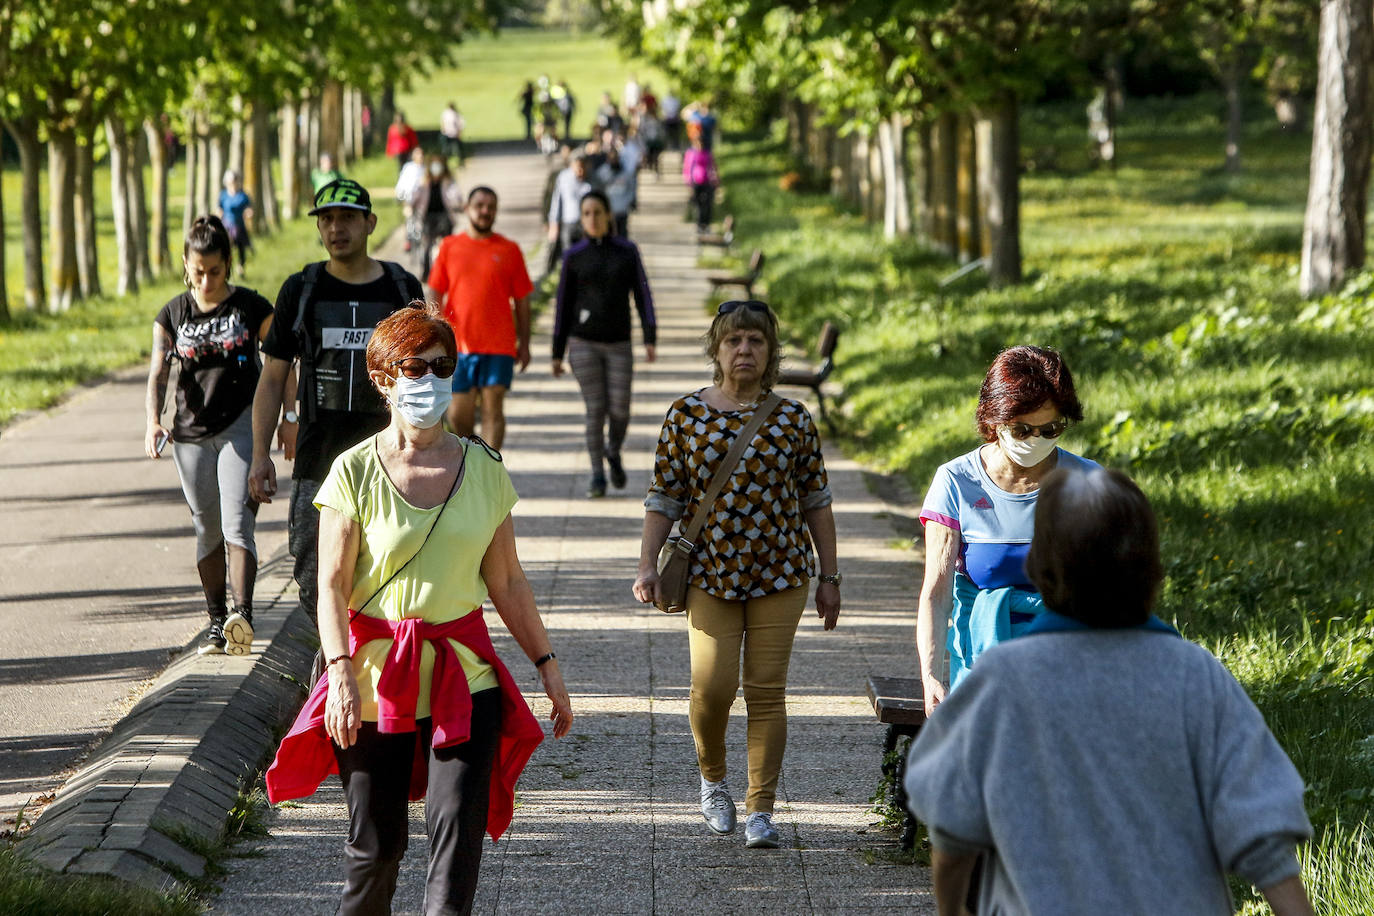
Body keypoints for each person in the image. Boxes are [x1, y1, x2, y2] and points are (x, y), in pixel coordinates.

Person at [265, 306, 573, 916]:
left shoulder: (484, 469)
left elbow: (507, 579)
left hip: (465, 680)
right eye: (415, 365)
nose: (430, 379)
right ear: (382, 377)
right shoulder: (351, 472)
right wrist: (341, 674)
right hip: (373, 682)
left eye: (442, 366)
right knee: (375, 849)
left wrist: (547, 663)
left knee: (456, 844)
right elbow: (330, 587)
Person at [904, 467, 1315, 916]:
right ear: (1152, 572)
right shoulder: (1195, 676)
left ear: (1042, 569)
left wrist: (952, 908)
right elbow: (1262, 832)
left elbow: (952, 817)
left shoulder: (1002, 679)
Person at [631, 299, 841, 850]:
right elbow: (664, 496)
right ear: (716, 350)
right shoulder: (685, 415)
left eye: (755, 341)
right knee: (712, 687)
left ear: (770, 353)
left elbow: (816, 499)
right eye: (732, 341)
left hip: (781, 573)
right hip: (709, 573)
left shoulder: (793, 417)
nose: (743, 350)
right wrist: (646, 565)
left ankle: (760, 809)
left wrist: (831, 576)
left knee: (767, 691)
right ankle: (712, 780)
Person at [248, 178, 425, 648]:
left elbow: (425, 378)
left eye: (347, 217)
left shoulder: (401, 288)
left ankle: (369, 670)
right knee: (313, 573)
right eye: (326, 219)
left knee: (389, 570)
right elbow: (271, 378)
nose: (335, 227)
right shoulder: (300, 290)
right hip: (318, 464)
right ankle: (338, 661)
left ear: (370, 222)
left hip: (389, 465)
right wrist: (259, 455)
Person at [915, 345, 1096, 716]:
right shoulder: (956, 481)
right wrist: (931, 676)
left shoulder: (1088, 481)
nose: (1036, 440)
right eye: (1022, 429)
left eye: (1051, 429)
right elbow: (936, 592)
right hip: (981, 658)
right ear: (994, 421)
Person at [145, 215, 276, 656]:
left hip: (241, 425)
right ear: (186, 264)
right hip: (190, 435)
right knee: (207, 527)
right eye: (197, 272)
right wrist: (153, 420)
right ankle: (217, 622)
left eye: (215, 271)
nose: (205, 281)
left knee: (238, 521)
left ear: (228, 264)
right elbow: (159, 371)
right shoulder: (171, 314)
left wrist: (290, 415)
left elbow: (280, 363)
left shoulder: (252, 307)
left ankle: (244, 615)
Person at [551, 190, 656, 497]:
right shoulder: (574, 256)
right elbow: (563, 306)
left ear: (609, 215)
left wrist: (650, 335)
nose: (592, 219)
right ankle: (597, 474)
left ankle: (613, 450)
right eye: (586, 214)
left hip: (619, 343)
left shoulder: (627, 251)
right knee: (595, 409)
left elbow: (643, 294)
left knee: (620, 410)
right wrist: (557, 352)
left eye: (598, 212)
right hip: (583, 343)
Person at [428, 186, 534, 450]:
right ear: (467, 208)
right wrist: (434, 336)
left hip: (499, 345)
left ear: (496, 210)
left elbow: (522, 301)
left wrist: (525, 344)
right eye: (479, 205)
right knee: (457, 414)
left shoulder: (510, 250)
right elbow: (435, 291)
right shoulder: (450, 246)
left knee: (493, 409)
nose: (485, 211)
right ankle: (469, 456)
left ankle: (488, 465)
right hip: (458, 346)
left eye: (490, 206)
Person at [410, 154, 462, 279]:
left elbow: (456, 197)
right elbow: (414, 198)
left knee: (447, 245)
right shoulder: (424, 182)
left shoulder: (448, 182)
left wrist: (457, 202)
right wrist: (411, 206)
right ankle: (426, 272)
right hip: (428, 217)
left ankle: (448, 271)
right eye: (434, 166)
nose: (436, 169)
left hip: (444, 216)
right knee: (427, 245)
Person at [545, 152, 592, 272]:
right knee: (568, 256)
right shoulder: (563, 178)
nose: (580, 171)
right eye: (577, 168)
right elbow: (557, 202)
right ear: (571, 166)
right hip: (569, 223)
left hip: (587, 225)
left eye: (582, 168)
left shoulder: (594, 179)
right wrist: (553, 224)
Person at [595, 144, 636, 237]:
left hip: (622, 210)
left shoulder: (626, 173)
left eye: (615, 158)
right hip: (608, 211)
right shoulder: (602, 173)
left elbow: (631, 188)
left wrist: (629, 202)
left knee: (622, 235)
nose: (613, 160)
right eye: (611, 158)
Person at [217, 170, 253, 271]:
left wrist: (249, 213)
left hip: (239, 226)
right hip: (227, 226)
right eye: (230, 182)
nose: (233, 184)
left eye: (234, 181)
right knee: (227, 247)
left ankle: (241, 266)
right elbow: (219, 209)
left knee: (241, 247)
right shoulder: (223, 195)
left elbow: (248, 208)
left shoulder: (243, 196)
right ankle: (226, 266)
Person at [683, 133, 719, 233]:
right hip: (695, 181)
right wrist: (688, 182)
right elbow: (688, 168)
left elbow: (712, 167)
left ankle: (706, 224)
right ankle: (699, 224)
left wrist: (716, 180)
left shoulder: (707, 153)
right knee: (697, 205)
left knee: (707, 205)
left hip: (707, 181)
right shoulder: (691, 153)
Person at [394, 146, 427, 254]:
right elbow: (402, 182)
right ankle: (408, 239)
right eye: (418, 154)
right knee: (408, 215)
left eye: (421, 154)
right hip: (409, 196)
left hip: (422, 198)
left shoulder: (426, 169)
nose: (420, 156)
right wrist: (399, 194)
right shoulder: (408, 167)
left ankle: (423, 236)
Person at [439, 101, 466, 166]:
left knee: (457, 150)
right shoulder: (446, 113)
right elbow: (443, 123)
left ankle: (460, 162)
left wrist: (459, 133)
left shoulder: (456, 114)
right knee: (446, 150)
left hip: (454, 134)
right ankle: (445, 162)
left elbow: (460, 124)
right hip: (447, 133)